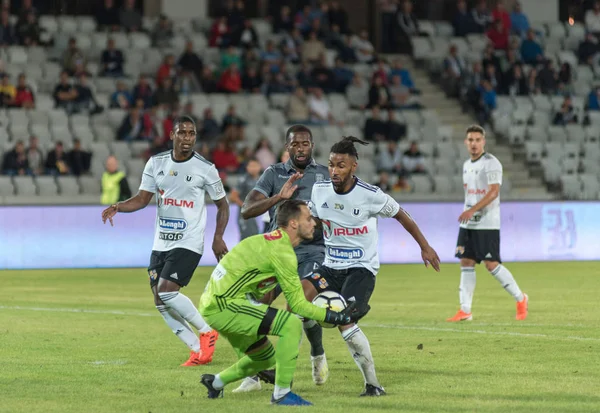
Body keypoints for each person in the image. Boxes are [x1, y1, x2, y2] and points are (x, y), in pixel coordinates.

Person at [305, 136, 440, 396]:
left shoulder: (370, 195)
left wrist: (424, 246)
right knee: (296, 302)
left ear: (354, 166)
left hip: (360, 269)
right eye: (331, 164)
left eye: (341, 165)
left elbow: (403, 216)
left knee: (345, 321)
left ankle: (373, 385)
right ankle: (317, 356)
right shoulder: (319, 190)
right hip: (330, 268)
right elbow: (314, 223)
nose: (334, 170)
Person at [198, 199, 357, 406]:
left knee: (264, 359)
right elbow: (298, 305)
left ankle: (216, 383)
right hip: (224, 305)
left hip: (216, 303)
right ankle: (281, 394)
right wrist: (337, 316)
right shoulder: (282, 252)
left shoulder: (265, 241)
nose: (314, 223)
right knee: (291, 323)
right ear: (293, 223)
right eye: (308, 218)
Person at [101, 115, 230, 366]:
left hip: (189, 241)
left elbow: (223, 206)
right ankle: (197, 349)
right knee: (159, 301)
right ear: (172, 135)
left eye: (191, 133)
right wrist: (119, 206)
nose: (187, 138)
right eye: (182, 133)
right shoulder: (156, 163)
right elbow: (141, 198)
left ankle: (206, 332)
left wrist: (217, 237)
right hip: (161, 242)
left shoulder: (205, 168)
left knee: (167, 292)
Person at [237, 125, 330, 392]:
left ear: (312, 145)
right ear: (287, 147)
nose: (300, 149)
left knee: (298, 305)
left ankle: (317, 354)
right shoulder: (273, 174)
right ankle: (254, 373)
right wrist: (279, 197)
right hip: (275, 252)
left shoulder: (324, 175)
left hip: (311, 251)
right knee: (256, 305)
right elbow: (246, 210)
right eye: (295, 144)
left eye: (305, 144)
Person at [448, 125, 528, 322]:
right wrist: (469, 211)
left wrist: (472, 210)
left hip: (487, 222)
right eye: (471, 140)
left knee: (491, 264)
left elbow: (493, 192)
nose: (474, 144)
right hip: (468, 223)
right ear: (466, 142)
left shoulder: (491, 163)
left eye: (477, 140)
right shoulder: (467, 164)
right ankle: (465, 310)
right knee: (466, 261)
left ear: (483, 142)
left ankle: (520, 298)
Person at [229, 158, 262, 240]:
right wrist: (245, 206)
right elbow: (233, 196)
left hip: (256, 214)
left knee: (255, 236)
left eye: (255, 166)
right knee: (246, 238)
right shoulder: (243, 180)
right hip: (245, 215)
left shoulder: (261, 179)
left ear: (259, 167)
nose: (253, 168)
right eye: (251, 166)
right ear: (247, 167)